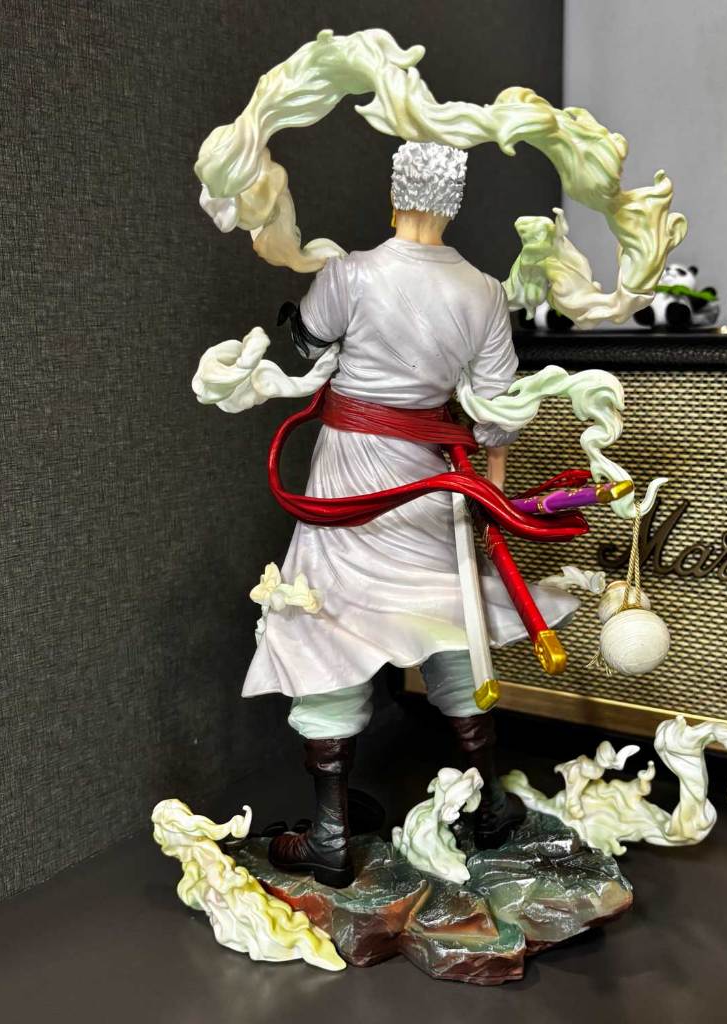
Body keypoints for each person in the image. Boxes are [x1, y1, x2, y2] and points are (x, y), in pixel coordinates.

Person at [247, 141, 577, 887]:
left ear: (395, 195)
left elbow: (307, 341)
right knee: (448, 614)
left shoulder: (352, 273)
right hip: (431, 481)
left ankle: (331, 833)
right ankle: (488, 804)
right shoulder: (483, 290)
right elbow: (496, 413)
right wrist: (489, 497)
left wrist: (303, 316)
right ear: (453, 205)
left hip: (348, 476)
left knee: (327, 620)